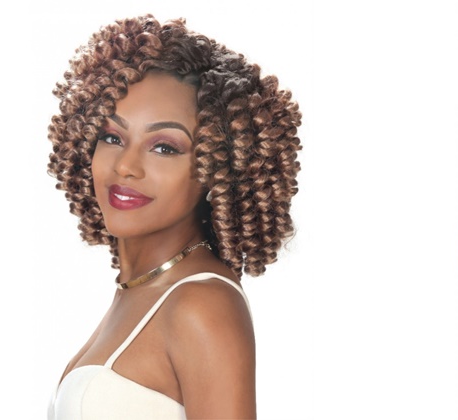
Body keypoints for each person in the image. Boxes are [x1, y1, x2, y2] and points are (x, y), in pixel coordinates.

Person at [45, 15, 302, 419]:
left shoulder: (201, 303)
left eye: (164, 147)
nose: (126, 166)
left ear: (217, 171)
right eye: (112, 137)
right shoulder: (140, 290)